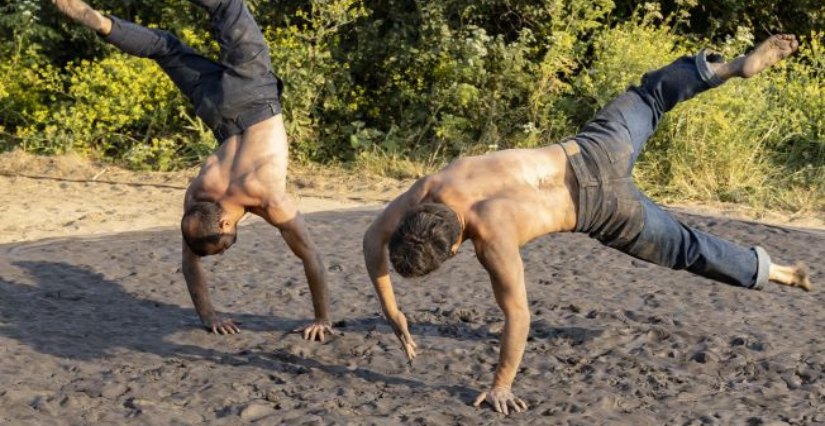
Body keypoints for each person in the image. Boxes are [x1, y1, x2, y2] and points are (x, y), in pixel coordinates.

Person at [363, 35, 811, 414]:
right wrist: (392, 309)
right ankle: (732, 67)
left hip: (603, 208)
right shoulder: (432, 185)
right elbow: (373, 238)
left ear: (455, 248)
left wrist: (502, 383)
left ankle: (774, 271)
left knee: (686, 249)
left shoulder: (491, 238)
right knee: (652, 94)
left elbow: (518, 316)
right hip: (593, 150)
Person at [51, 0, 334, 341]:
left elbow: (311, 257)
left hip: (255, 93)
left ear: (226, 224)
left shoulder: (268, 199)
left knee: (227, 5)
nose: (228, 248)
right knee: (163, 48)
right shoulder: (198, 196)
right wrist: (208, 316)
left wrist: (322, 317)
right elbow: (192, 260)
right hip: (215, 108)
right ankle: (103, 24)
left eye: (224, 246)